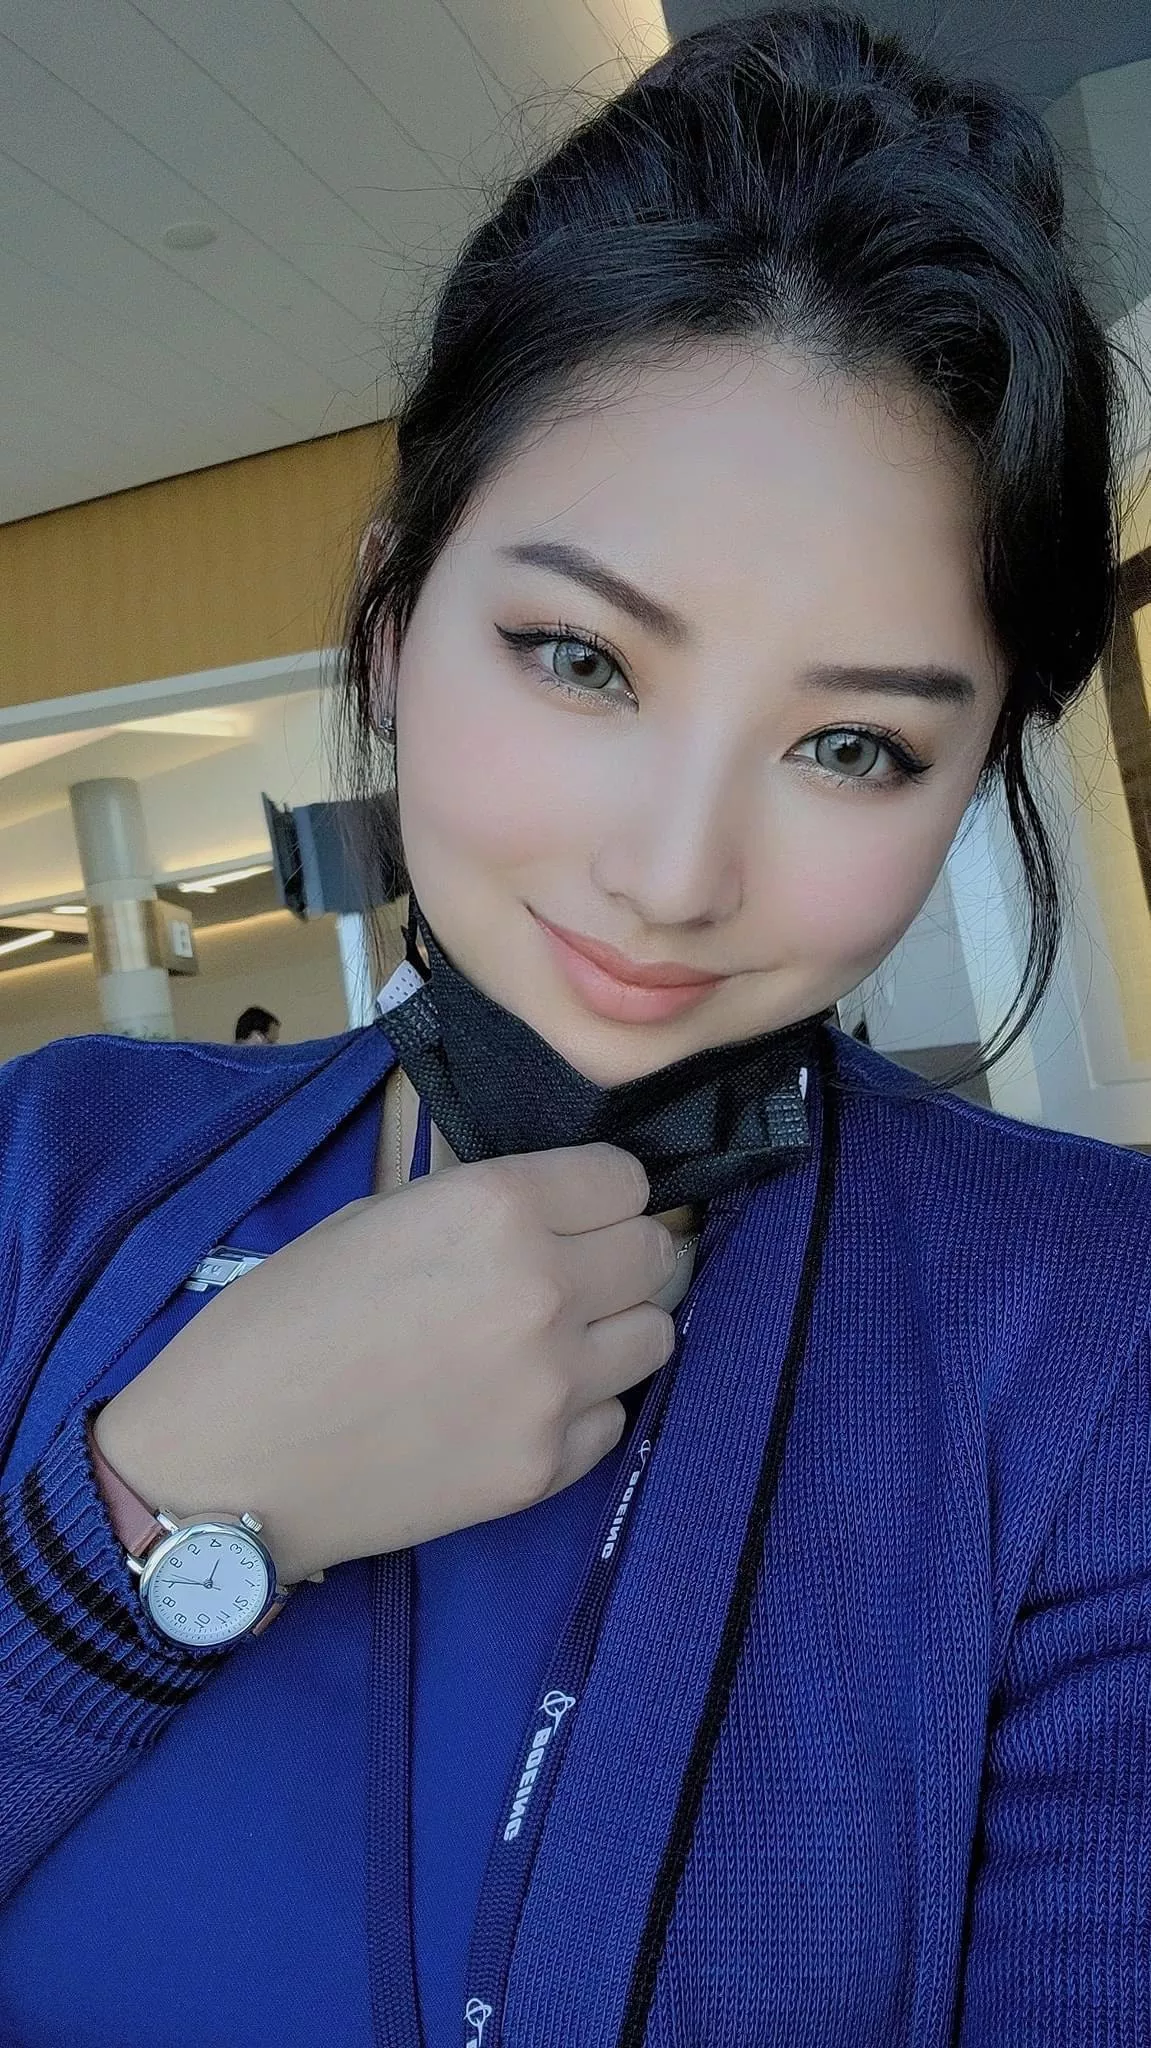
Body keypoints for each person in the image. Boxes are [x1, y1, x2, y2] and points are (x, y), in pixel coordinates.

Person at [0, 11, 1145, 2044]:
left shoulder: (1086, 1330)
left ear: (971, 776)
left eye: (853, 744)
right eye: (579, 658)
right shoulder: (48, 1168)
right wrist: (150, 1517)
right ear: (390, 621)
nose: (670, 875)